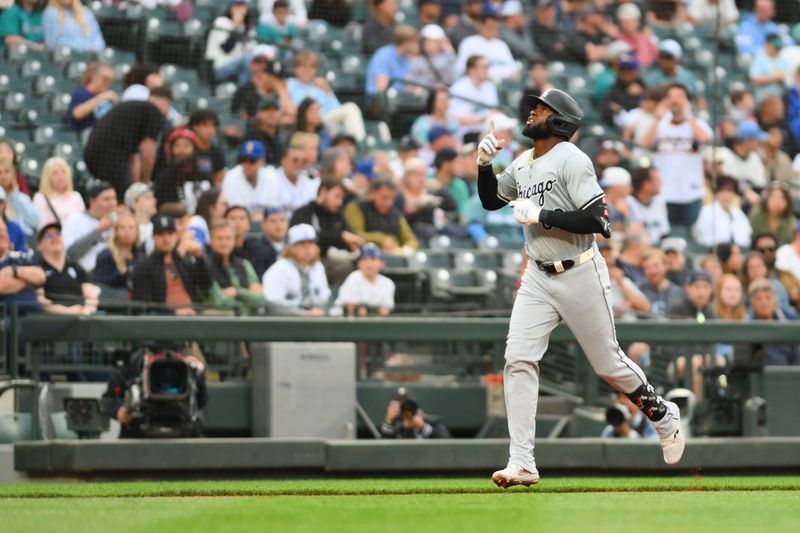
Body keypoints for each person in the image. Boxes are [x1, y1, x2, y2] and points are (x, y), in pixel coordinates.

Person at [477, 88, 684, 489]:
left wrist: (542, 214)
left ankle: (661, 413)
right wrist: (484, 165)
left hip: (579, 270)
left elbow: (599, 220)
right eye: (534, 107)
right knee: (517, 359)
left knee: (607, 364)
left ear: (560, 120)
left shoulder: (572, 159)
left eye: (541, 108)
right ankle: (521, 461)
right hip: (537, 274)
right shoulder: (521, 163)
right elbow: (489, 201)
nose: (532, 112)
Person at [640, 84, 712, 229]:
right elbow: (644, 143)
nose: (675, 101)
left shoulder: (697, 124)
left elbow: (704, 139)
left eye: (680, 97)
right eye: (670, 97)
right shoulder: (659, 125)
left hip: (691, 192)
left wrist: (688, 116)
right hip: (663, 193)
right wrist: (658, 117)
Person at [83, 87, 171, 200]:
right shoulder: (154, 111)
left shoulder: (134, 110)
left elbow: (133, 156)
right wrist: (144, 184)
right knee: (124, 199)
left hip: (92, 154)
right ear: (165, 102)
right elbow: (148, 153)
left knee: (124, 195)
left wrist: (135, 186)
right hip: (110, 154)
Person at [131, 215, 211, 315]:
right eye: (160, 234)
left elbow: (206, 285)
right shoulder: (144, 267)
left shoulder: (183, 262)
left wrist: (200, 259)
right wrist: (174, 312)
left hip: (194, 316)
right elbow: (142, 306)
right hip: (164, 323)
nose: (166, 238)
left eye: (170, 233)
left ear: (176, 235)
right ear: (153, 237)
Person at [286, 51, 366, 142]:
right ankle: (358, 144)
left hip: (325, 119)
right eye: (303, 66)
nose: (307, 70)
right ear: (296, 69)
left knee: (350, 110)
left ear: (316, 70)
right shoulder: (289, 84)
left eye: (311, 67)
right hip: (304, 119)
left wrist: (328, 92)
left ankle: (358, 144)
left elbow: (337, 109)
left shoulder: (321, 86)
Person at [262, 223, 330, 315]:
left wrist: (316, 311)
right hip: (284, 323)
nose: (307, 248)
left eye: (310, 243)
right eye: (301, 244)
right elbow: (272, 304)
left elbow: (324, 298)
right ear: (291, 247)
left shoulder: (318, 267)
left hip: (314, 320)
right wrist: (302, 313)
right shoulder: (279, 268)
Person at [36, 222, 98, 315]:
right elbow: (41, 302)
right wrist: (68, 312)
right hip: (51, 320)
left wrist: (86, 310)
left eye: (58, 234)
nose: (55, 237)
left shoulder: (75, 267)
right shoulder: (36, 268)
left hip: (81, 318)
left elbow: (91, 296)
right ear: (40, 245)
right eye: (49, 235)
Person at [205, 219, 266, 315]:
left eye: (228, 238)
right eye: (219, 238)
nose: (224, 243)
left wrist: (237, 292)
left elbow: (261, 299)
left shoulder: (244, 265)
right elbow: (219, 301)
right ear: (210, 240)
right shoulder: (205, 267)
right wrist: (248, 295)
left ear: (234, 240)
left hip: (248, 322)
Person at [289, 179, 363, 258]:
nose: (340, 202)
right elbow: (311, 239)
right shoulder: (304, 213)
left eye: (342, 198)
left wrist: (352, 242)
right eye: (337, 196)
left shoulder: (337, 213)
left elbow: (349, 234)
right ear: (323, 192)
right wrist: (341, 237)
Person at [344, 178, 419, 254]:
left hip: (395, 257)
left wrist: (405, 251)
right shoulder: (356, 208)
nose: (389, 203)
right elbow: (354, 235)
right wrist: (382, 239)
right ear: (371, 194)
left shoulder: (396, 214)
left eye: (391, 198)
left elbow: (411, 239)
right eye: (384, 197)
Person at [63, 181, 122, 273]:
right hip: (84, 275)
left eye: (114, 199)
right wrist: (98, 231)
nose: (112, 204)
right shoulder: (75, 219)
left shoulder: (119, 221)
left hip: (112, 276)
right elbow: (71, 254)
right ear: (92, 201)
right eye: (106, 199)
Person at [456, 5, 517, 81]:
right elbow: (460, 68)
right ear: (481, 26)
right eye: (489, 27)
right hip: (477, 84)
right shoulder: (469, 42)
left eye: (495, 28)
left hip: (502, 84)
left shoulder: (501, 45)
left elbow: (513, 70)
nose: (492, 30)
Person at [333, 243, 395, 317]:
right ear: (359, 263)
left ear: (381, 263)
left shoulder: (388, 283)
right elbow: (351, 309)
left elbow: (385, 311)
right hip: (343, 321)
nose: (368, 263)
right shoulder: (353, 278)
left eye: (373, 258)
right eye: (365, 259)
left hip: (373, 323)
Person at [747, 279, 800, 366]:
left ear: (774, 300)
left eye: (768, 297)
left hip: (785, 375)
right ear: (752, 302)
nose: (764, 302)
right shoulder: (746, 325)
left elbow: (796, 356)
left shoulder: (788, 320)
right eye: (758, 298)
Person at [718, 120, 769, 206]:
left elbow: (760, 185)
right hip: (730, 202)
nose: (759, 142)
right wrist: (746, 192)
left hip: (753, 202)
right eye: (756, 139)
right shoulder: (725, 155)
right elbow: (727, 185)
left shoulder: (754, 157)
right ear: (747, 140)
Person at [693, 176, 752, 249]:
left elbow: (747, 236)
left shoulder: (739, 213)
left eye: (729, 190)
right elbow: (702, 237)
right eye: (722, 190)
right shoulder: (706, 212)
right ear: (716, 193)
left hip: (738, 251)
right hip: (713, 251)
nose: (726, 194)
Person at [205, 0, 257, 84]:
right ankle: (243, 93)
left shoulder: (248, 28)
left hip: (240, 67)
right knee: (247, 59)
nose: (239, 9)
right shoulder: (221, 22)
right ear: (230, 7)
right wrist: (235, 27)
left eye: (242, 6)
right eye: (236, 5)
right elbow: (226, 49)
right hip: (219, 67)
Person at [0, 218, 45, 314]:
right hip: (6, 319)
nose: (3, 235)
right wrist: (29, 283)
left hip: (34, 318)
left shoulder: (18, 257)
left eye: (5, 231)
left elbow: (41, 276)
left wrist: (13, 270)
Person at [365, 25, 419, 103]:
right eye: (415, 42)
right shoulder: (384, 54)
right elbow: (381, 89)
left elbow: (407, 86)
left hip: (397, 99)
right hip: (377, 101)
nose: (417, 45)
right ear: (407, 43)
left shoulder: (406, 58)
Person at [153, 128, 204, 211]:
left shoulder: (204, 174)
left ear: (194, 149)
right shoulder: (165, 176)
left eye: (186, 145)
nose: (182, 150)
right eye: (177, 146)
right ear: (171, 150)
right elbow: (161, 206)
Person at [222, 140, 276, 216]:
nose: (247, 165)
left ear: (262, 161)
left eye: (252, 161)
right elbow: (232, 211)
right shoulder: (231, 176)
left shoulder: (271, 175)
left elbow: (275, 208)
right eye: (244, 160)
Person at [643, 40, 702, 108]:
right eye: (662, 56)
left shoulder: (687, 77)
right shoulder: (651, 76)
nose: (664, 60)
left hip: (682, 114)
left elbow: (698, 98)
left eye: (668, 57)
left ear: (677, 59)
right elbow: (645, 99)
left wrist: (701, 112)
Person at [448, 55, 499, 132]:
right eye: (484, 67)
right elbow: (457, 119)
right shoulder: (459, 88)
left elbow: (494, 111)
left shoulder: (490, 86)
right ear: (472, 70)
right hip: (465, 133)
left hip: (487, 131)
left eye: (488, 67)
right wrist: (484, 119)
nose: (487, 70)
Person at [32, 157, 85, 230]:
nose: (60, 176)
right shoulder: (41, 198)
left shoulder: (76, 196)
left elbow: (83, 224)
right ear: (48, 177)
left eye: (63, 172)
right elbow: (42, 227)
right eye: (55, 173)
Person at [93, 213, 143, 291]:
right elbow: (100, 283)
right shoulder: (106, 255)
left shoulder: (141, 256)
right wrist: (121, 274)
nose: (127, 231)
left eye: (131, 227)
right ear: (116, 232)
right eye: (122, 227)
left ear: (137, 232)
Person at [67, 62, 117, 136]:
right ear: (94, 76)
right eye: (105, 78)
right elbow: (77, 114)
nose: (107, 83)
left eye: (110, 80)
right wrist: (101, 97)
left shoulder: (108, 98)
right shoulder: (82, 93)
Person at [752, 231, 800, 308]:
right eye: (762, 250)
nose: (767, 253)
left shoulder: (786, 275)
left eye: (771, 249)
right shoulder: (747, 276)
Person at [637, 248, 687, 317]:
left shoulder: (678, 292)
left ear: (666, 266)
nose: (652, 271)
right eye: (647, 267)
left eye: (656, 266)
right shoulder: (638, 289)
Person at [242, 96, 291, 167]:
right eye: (267, 110)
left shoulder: (281, 135)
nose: (271, 114)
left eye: (275, 110)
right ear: (258, 114)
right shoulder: (252, 136)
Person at [380, 390, 450, 439]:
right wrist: (389, 423)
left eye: (407, 403)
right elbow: (381, 452)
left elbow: (449, 445)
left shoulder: (432, 421)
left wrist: (423, 428)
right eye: (400, 404)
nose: (405, 408)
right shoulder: (393, 426)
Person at [627, 165, 669, 246]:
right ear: (646, 184)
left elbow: (664, 233)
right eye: (657, 180)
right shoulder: (628, 203)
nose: (661, 183)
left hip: (657, 248)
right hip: (636, 248)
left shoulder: (660, 203)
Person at [406, 24, 458, 89]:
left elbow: (453, 78)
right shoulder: (417, 60)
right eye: (425, 41)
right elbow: (410, 82)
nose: (427, 44)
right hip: (424, 94)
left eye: (431, 41)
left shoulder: (448, 58)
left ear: (440, 42)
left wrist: (450, 52)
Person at [244, 207, 287, 277]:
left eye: (282, 220)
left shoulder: (293, 246)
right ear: (263, 224)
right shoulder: (256, 250)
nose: (278, 225)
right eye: (273, 221)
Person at [749, 33, 791, 104]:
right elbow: (754, 79)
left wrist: (783, 79)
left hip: (780, 99)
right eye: (775, 47)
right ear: (767, 45)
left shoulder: (783, 61)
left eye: (779, 47)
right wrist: (775, 78)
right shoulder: (759, 59)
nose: (778, 49)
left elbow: (788, 79)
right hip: (763, 99)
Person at [613, 2, 658, 68]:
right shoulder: (617, 41)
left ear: (638, 22)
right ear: (620, 24)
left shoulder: (648, 39)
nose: (629, 25)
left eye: (632, 21)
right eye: (626, 22)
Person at [0, 157, 37, 236]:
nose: (3, 176)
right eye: (0, 172)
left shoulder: (22, 198)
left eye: (7, 172)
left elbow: (34, 221)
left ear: (14, 174)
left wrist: (14, 194)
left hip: (24, 239)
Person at [188, 110, 226, 184]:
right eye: (205, 125)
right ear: (195, 126)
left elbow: (219, 180)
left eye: (213, 125)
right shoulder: (186, 150)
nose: (210, 129)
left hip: (210, 193)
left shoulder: (217, 153)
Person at [432, 148, 470, 221]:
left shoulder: (460, 185)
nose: (461, 166)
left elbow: (462, 216)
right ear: (445, 164)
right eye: (457, 162)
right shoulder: (427, 182)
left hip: (453, 229)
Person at [124, 182, 156, 253]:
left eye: (153, 197)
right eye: (148, 198)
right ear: (134, 203)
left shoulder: (157, 227)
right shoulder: (125, 228)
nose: (154, 200)